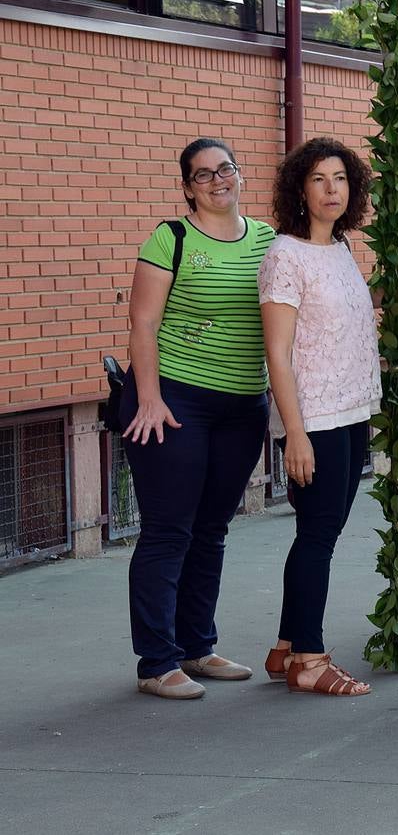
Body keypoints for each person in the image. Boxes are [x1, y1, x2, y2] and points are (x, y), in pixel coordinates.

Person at [122, 138, 275, 699]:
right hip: (176, 402)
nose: (217, 180)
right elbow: (142, 325)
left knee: (211, 531)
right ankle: (156, 663)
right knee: (169, 532)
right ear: (187, 186)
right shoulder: (172, 238)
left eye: (225, 169)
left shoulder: (266, 240)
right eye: (203, 174)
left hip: (243, 405)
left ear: (240, 174)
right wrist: (149, 398)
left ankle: (197, 647)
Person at [259, 138, 380, 696]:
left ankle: (287, 646)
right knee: (318, 536)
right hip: (317, 420)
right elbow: (277, 354)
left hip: (353, 413)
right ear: (299, 191)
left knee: (318, 533)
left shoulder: (340, 248)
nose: (332, 189)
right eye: (319, 180)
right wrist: (296, 433)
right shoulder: (285, 255)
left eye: (340, 179)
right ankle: (310, 658)